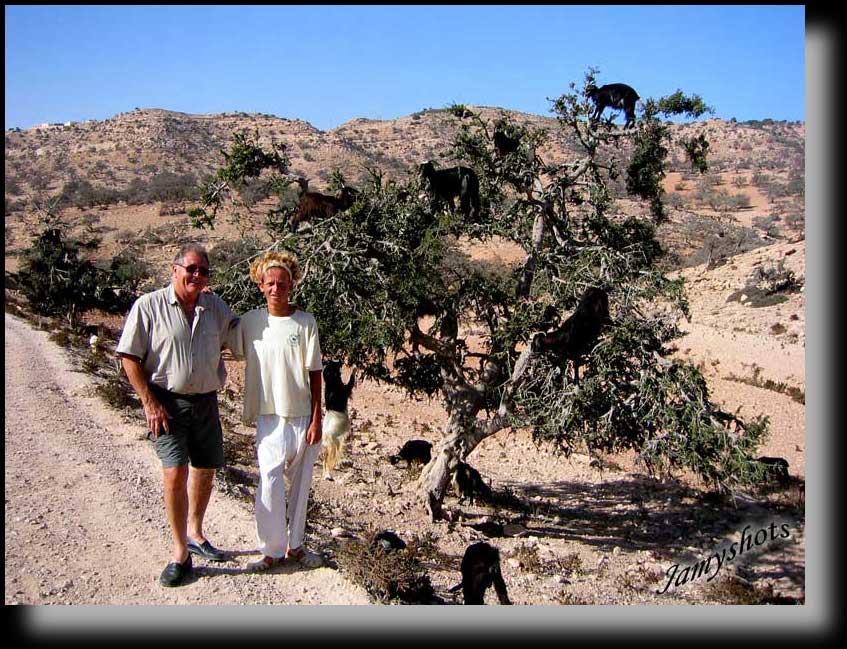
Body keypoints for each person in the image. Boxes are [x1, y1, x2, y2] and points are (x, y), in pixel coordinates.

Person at [116, 244, 238, 587]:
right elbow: (129, 356)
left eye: (204, 271)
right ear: (174, 269)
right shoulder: (149, 305)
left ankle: (197, 533)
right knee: (174, 473)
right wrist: (148, 402)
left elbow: (238, 333)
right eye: (192, 269)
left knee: (205, 468)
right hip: (166, 403)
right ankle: (180, 552)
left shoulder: (214, 306)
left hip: (206, 401)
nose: (197, 275)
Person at [227, 250, 324, 571]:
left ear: (291, 284)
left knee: (300, 485)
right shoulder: (251, 322)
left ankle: (295, 546)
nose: (275, 289)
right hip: (268, 416)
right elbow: (223, 337)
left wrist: (316, 418)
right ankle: (270, 549)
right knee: (269, 480)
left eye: (282, 283)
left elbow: (315, 373)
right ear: (260, 284)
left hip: (302, 416)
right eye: (270, 283)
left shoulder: (305, 322)